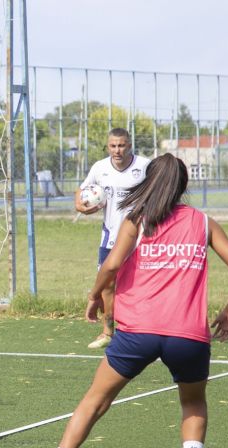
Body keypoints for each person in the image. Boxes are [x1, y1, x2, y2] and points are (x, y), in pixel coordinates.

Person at [28, 154, 228, 448]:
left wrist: (94, 295)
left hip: (137, 333)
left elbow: (112, 265)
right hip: (187, 336)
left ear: (148, 181)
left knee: (94, 402)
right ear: (183, 186)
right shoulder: (203, 222)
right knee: (193, 405)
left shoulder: (137, 220)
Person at [75, 128, 150, 349]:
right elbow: (81, 191)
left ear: (130, 145)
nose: (117, 150)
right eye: (113, 146)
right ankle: (108, 331)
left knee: (141, 285)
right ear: (108, 146)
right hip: (110, 237)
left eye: (122, 145)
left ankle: (143, 331)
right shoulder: (100, 168)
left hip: (140, 237)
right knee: (107, 283)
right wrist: (80, 205)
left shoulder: (144, 166)